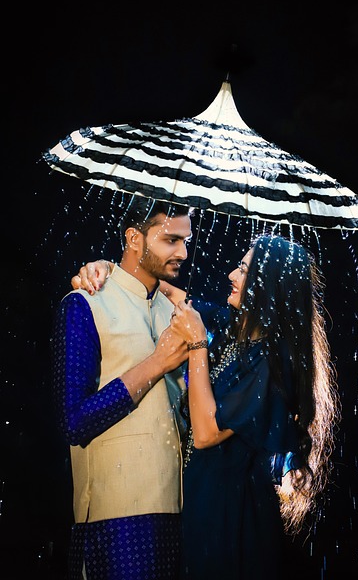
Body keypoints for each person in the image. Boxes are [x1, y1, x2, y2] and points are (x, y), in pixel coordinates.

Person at [76, 234, 339, 579]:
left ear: (270, 285)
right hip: (203, 504)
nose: (231, 275)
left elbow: (205, 433)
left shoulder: (273, 364)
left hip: (230, 518)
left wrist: (198, 344)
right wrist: (108, 270)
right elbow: (172, 295)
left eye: (244, 270)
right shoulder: (237, 332)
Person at [52, 198, 193, 580]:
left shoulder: (176, 312)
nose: (183, 252)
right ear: (134, 238)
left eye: (186, 241)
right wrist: (157, 363)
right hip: (115, 521)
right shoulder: (85, 303)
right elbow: (74, 422)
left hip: (180, 515)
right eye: (171, 240)